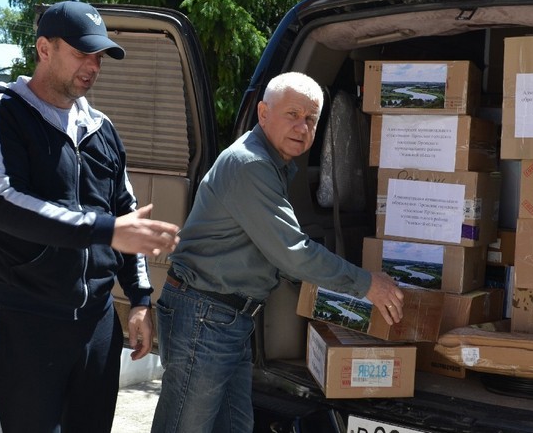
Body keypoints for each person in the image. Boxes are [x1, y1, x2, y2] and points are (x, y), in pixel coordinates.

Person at [0, 1, 181, 432]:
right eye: (82, 53)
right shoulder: (1, 112)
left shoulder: (102, 129)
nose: (93, 66)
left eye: (99, 57)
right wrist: (106, 230)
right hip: (25, 319)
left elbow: (126, 213)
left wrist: (139, 300)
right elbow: (5, 202)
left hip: (97, 324)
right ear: (45, 49)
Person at [151, 71, 405, 432]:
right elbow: (293, 253)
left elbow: (278, 253)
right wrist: (367, 285)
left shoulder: (272, 164)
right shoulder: (251, 164)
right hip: (205, 317)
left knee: (234, 427)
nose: (303, 127)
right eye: (293, 114)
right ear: (263, 113)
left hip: (225, 318)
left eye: (311, 119)